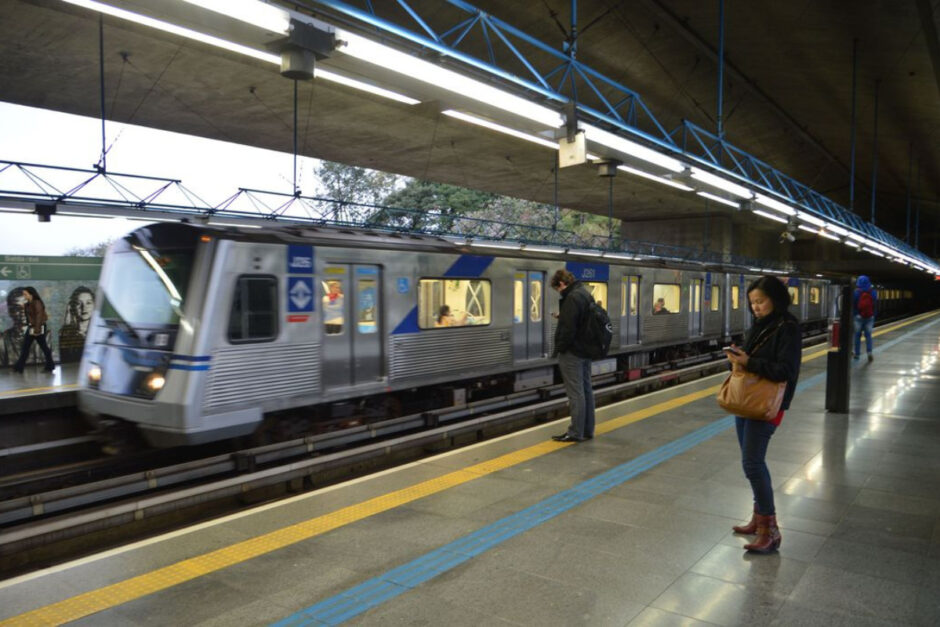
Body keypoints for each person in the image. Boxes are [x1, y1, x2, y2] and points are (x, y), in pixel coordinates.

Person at [724, 276, 801, 554]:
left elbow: (785, 371)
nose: (755, 307)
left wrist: (749, 362)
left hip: (767, 405)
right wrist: (739, 357)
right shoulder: (759, 326)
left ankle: (771, 531)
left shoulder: (788, 327)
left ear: (776, 299)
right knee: (751, 463)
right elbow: (755, 360)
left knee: (753, 464)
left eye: (761, 301)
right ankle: (758, 521)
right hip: (746, 401)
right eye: (752, 302)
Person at [550, 269, 595, 443]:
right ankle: (587, 430)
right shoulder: (584, 294)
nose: (559, 292)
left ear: (561, 284)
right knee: (585, 390)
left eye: (558, 289)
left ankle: (576, 432)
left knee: (575, 394)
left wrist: (560, 348)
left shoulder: (571, 298)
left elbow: (568, 329)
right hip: (585, 350)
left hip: (573, 352)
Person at [12, 286, 56, 373]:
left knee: (44, 347)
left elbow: (39, 317)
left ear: (31, 294)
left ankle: (50, 366)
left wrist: (37, 330)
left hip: (38, 327)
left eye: (25, 294)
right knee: (25, 347)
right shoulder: (29, 303)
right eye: (23, 294)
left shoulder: (37, 302)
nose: (24, 296)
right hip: (32, 327)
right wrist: (24, 306)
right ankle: (19, 367)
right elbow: (30, 315)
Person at [59, 286, 95, 363]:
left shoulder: (98, 332)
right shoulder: (67, 333)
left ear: (94, 306)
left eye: (88, 303)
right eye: (79, 304)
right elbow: (65, 358)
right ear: (73, 307)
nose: (84, 307)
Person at [852, 275, 877, 362]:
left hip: (858, 317)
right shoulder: (873, 292)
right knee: (868, 336)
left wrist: (855, 314)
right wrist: (873, 314)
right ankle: (869, 352)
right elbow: (874, 304)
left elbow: (853, 305)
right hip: (869, 317)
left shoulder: (856, 292)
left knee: (857, 336)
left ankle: (857, 354)